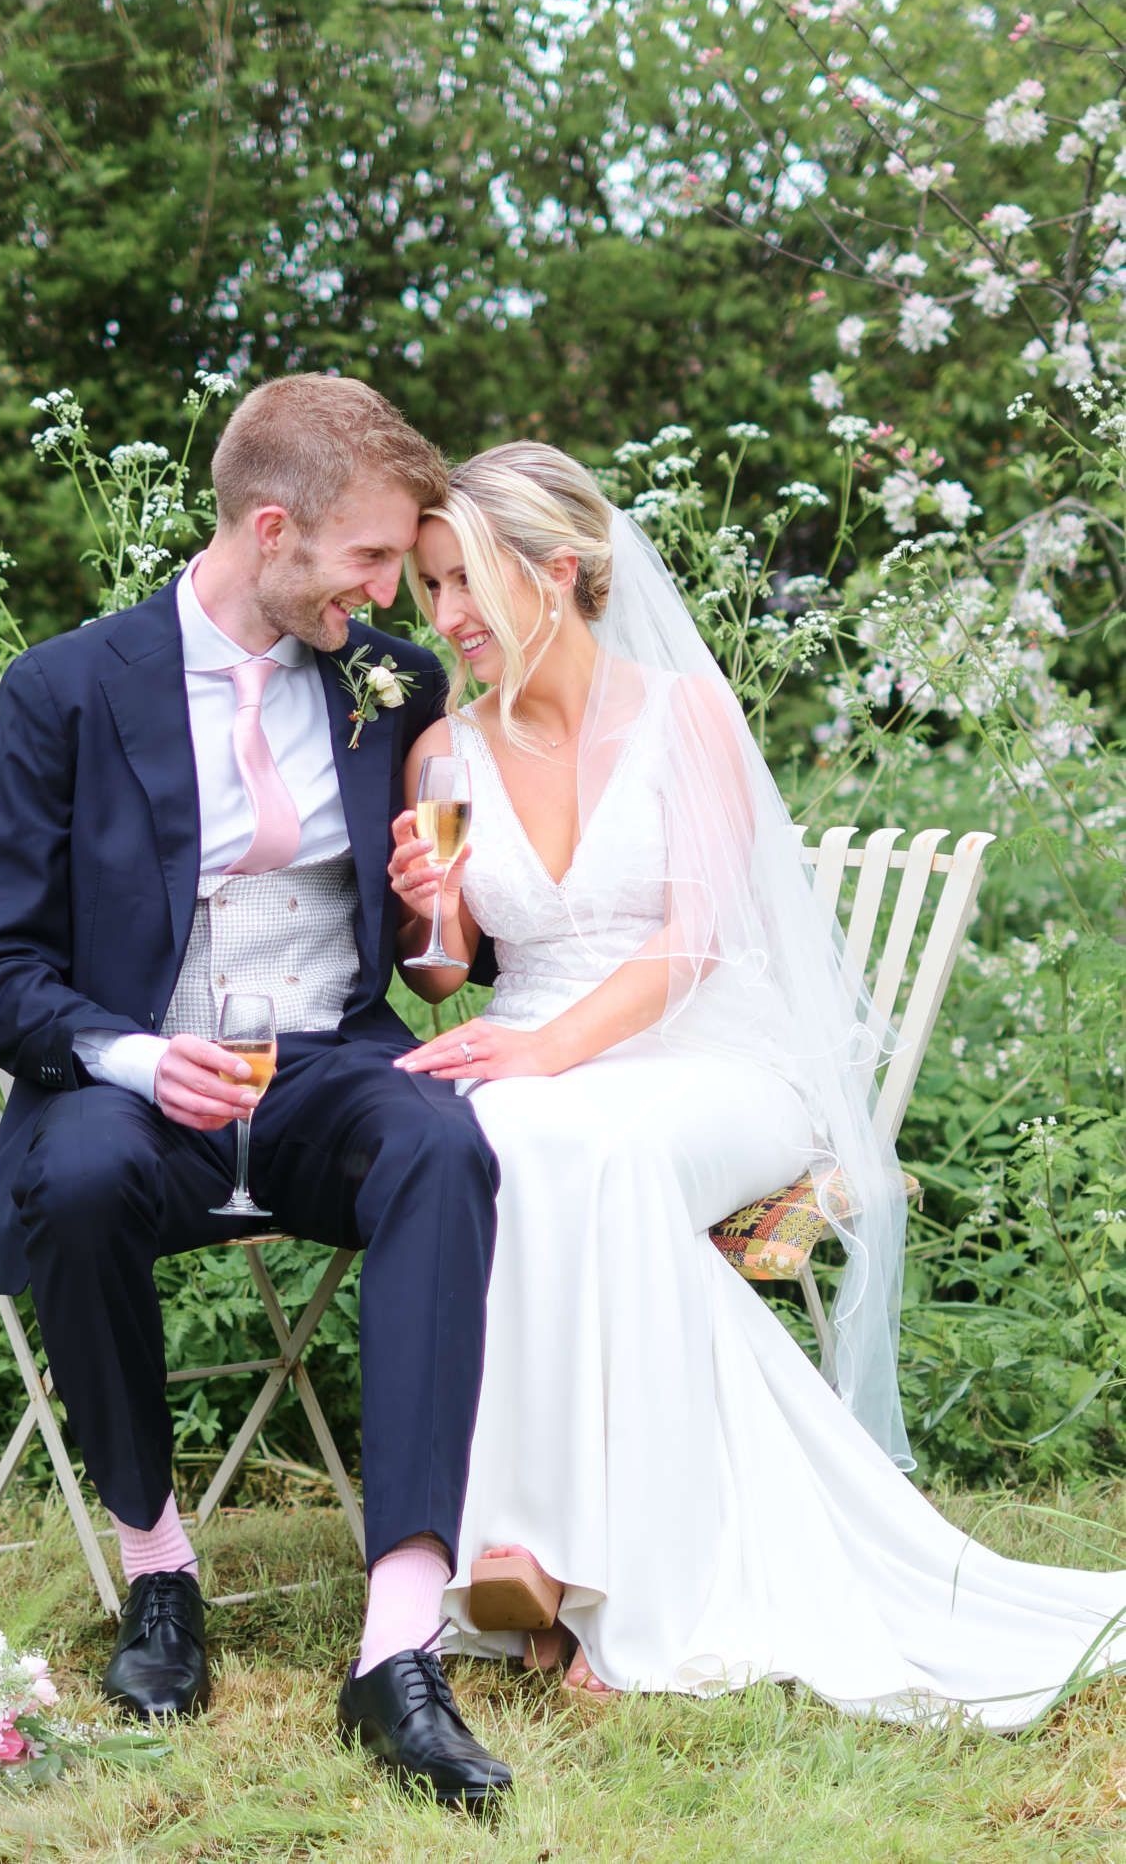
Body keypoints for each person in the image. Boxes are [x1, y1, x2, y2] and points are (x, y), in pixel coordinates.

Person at [387, 440, 1126, 1726]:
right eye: (431, 586)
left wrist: (548, 1053)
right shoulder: (447, 752)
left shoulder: (685, 718)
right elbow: (444, 975)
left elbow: (692, 945)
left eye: (465, 581)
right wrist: (431, 910)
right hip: (532, 1049)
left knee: (595, 1148)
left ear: (555, 572)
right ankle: (536, 1559)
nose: (445, 616)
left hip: (707, 1055)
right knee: (499, 1145)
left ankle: (598, 1566)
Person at [0, 374, 513, 1812]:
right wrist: (138, 1056)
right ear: (271, 530)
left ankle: (397, 1646)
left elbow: (445, 958)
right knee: (77, 1176)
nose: (388, 592)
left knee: (442, 1146)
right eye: (369, 558)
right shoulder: (64, 690)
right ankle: (157, 1571)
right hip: (140, 1077)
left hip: (327, 1062)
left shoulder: (391, 682)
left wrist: (434, 903)